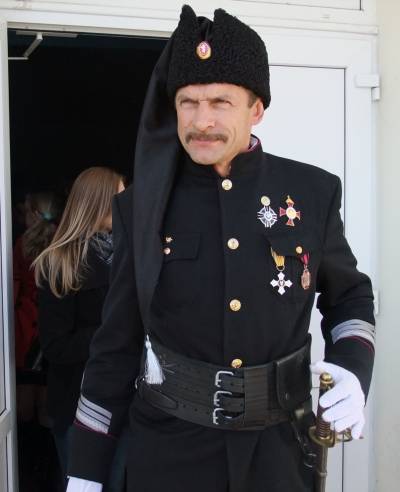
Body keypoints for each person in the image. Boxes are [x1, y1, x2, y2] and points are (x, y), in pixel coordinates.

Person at [66, 6, 375, 492]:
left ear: (257, 109)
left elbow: (350, 298)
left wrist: (353, 370)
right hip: (169, 454)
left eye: (220, 102)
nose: (201, 121)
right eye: (188, 102)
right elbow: (116, 345)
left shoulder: (312, 193)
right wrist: (86, 468)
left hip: (280, 452)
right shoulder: (140, 207)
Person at [33, 167, 125, 488]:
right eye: (120, 198)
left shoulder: (129, 255)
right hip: (78, 406)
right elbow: (56, 346)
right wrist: (114, 332)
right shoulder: (60, 262)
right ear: (99, 203)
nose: (127, 205)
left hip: (125, 403)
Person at [13, 191, 61, 491]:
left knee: (22, 409)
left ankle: (26, 472)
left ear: (32, 213)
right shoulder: (63, 241)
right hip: (51, 332)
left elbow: (14, 287)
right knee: (46, 407)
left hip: (25, 329)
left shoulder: (21, 244)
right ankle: (46, 472)